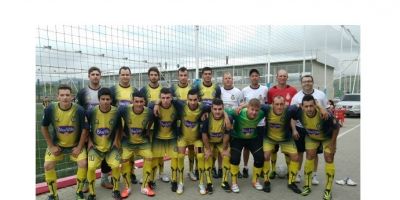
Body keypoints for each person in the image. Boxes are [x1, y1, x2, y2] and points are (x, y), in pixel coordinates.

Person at [41, 85, 88, 200]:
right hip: (57, 145)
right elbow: (44, 127)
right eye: (62, 95)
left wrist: (79, 147)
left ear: (72, 97)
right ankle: (53, 195)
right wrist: (51, 146)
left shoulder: (79, 110)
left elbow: (85, 130)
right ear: (58, 96)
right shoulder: (50, 109)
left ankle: (79, 192)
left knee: (83, 163)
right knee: (47, 165)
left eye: (67, 95)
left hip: (75, 145)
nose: (65, 97)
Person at [296, 95, 340, 200]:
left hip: (327, 138)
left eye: (311, 106)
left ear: (315, 105)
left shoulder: (324, 114)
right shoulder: (298, 111)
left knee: (329, 158)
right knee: (310, 156)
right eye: (306, 106)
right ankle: (307, 186)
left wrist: (333, 143)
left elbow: (336, 127)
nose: (309, 109)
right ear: (302, 106)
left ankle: (328, 189)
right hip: (312, 137)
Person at [76, 66, 113, 191]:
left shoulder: (106, 91)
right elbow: (79, 112)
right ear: (89, 76)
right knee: (88, 155)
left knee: (105, 152)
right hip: (87, 129)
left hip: (103, 127)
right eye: (93, 74)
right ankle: (86, 181)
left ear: (100, 76)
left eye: (97, 74)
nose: (95, 76)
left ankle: (104, 179)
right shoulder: (82, 92)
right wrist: (83, 131)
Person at [290, 74, 328, 185]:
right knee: (299, 153)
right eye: (305, 81)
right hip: (300, 129)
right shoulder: (296, 97)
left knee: (313, 154)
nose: (307, 83)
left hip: (316, 129)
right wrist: (294, 130)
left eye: (309, 81)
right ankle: (297, 174)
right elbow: (293, 116)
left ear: (313, 82)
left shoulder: (320, 95)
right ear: (301, 83)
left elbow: (326, 111)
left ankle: (314, 175)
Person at [86, 88, 122, 200]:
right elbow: (86, 129)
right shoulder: (91, 112)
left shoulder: (116, 111)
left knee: (116, 165)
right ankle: (92, 193)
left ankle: (116, 190)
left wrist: (116, 140)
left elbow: (119, 128)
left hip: (111, 147)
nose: (105, 101)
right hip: (96, 147)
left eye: (107, 99)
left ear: (111, 100)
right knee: (91, 167)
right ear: (99, 99)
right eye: (103, 99)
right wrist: (90, 141)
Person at [261, 95, 301, 194]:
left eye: (281, 104)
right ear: (272, 105)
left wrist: (321, 109)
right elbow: (251, 104)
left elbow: (300, 109)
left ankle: (291, 182)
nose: (279, 107)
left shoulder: (290, 110)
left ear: (285, 104)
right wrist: (240, 107)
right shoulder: (266, 108)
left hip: (285, 138)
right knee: (265, 156)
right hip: (269, 138)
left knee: (295, 157)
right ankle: (266, 181)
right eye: (277, 104)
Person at [225, 98, 267, 193]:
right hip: (238, 138)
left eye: (256, 110)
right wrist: (227, 119)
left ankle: (255, 181)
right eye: (252, 109)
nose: (254, 112)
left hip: (253, 138)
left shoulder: (261, 113)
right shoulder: (238, 112)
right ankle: (234, 182)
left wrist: (245, 104)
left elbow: (267, 106)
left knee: (260, 157)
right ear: (247, 108)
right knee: (235, 159)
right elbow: (224, 110)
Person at [119, 91, 155, 198]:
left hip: (142, 142)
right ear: (132, 101)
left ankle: (145, 186)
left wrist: (148, 130)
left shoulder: (149, 112)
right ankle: (127, 187)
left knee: (149, 157)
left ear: (144, 102)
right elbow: (115, 119)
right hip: (128, 142)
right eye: (136, 101)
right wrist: (121, 131)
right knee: (124, 159)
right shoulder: (124, 110)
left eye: (141, 102)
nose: (139, 104)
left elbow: (152, 120)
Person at [110, 66, 139, 185]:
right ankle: (114, 175)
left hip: (129, 127)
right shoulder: (113, 90)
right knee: (115, 151)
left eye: (127, 74)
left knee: (130, 153)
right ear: (119, 76)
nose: (125, 77)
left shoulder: (135, 90)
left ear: (130, 76)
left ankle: (131, 173)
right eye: (123, 74)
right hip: (116, 127)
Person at [140, 66, 170, 184]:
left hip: (160, 126)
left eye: (155, 75)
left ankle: (161, 173)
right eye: (151, 75)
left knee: (160, 151)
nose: (153, 77)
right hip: (147, 126)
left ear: (158, 76)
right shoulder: (143, 90)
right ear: (149, 76)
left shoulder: (163, 90)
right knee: (147, 152)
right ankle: (147, 174)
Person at [266, 69, 297, 179]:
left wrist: (294, 128)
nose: (282, 78)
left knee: (287, 151)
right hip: (274, 127)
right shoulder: (271, 91)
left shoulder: (293, 90)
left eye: (284, 76)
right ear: (276, 77)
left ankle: (290, 171)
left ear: (287, 77)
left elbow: (294, 110)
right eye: (280, 76)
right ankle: (273, 170)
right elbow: (269, 108)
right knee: (273, 149)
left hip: (287, 126)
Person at [192, 67, 222, 179]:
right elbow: (195, 104)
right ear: (202, 75)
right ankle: (197, 169)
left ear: (212, 75)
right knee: (199, 145)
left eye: (209, 74)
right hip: (200, 119)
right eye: (205, 74)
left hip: (212, 119)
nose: (208, 76)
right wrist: (202, 113)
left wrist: (210, 113)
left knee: (211, 145)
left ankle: (212, 168)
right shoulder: (197, 87)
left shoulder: (217, 88)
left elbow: (217, 104)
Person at [240, 68, 268, 179]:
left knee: (260, 147)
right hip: (248, 124)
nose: (254, 77)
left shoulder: (265, 89)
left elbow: (267, 105)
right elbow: (242, 105)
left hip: (261, 124)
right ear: (250, 78)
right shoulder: (245, 90)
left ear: (259, 77)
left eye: (256, 75)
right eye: (252, 76)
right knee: (246, 148)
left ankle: (259, 168)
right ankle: (245, 167)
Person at [170, 67, 197, 182]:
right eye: (181, 75)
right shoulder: (172, 89)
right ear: (178, 76)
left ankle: (191, 171)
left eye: (185, 75)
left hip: (191, 124)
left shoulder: (193, 88)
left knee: (191, 148)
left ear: (188, 76)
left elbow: (197, 103)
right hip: (177, 123)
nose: (183, 77)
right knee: (178, 150)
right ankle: (175, 174)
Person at [151, 88, 180, 193]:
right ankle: (152, 180)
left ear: (171, 98)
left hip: (172, 137)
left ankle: (174, 180)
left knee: (175, 158)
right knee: (154, 158)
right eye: (163, 98)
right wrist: (156, 104)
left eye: (168, 97)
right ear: (160, 98)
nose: (165, 100)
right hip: (158, 138)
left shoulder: (177, 106)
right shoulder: (153, 106)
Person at [202, 98, 232, 194]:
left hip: (220, 142)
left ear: (223, 109)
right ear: (211, 109)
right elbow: (204, 135)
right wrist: (207, 149)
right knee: (207, 157)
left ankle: (224, 181)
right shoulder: (207, 118)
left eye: (220, 109)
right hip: (210, 142)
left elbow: (227, 135)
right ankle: (209, 183)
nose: (217, 111)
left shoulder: (228, 119)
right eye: (215, 109)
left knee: (226, 156)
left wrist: (224, 149)